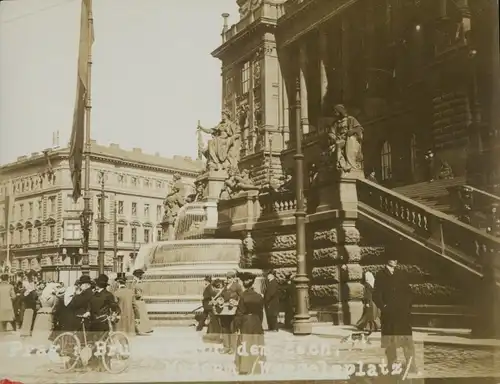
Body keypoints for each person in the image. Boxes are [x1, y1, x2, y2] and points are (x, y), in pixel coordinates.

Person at [373, 258, 419, 374]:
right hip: (389, 314)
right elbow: (376, 294)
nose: (394, 261)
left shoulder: (401, 273)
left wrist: (407, 306)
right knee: (390, 342)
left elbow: (408, 292)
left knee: (408, 342)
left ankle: (411, 365)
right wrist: (384, 307)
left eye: (396, 259)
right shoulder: (380, 274)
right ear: (387, 260)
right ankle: (392, 366)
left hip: (402, 314)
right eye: (391, 259)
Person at [234, 271, 266, 375]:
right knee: (256, 343)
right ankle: (257, 366)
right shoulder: (259, 296)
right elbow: (261, 312)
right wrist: (259, 322)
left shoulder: (243, 296)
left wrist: (236, 325)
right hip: (256, 321)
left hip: (246, 321)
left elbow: (240, 312)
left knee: (245, 344)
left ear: (244, 284)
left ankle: (245, 367)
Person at [219, 271, 243, 354]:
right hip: (224, 310)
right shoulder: (225, 287)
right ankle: (226, 347)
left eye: (230, 278)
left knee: (232, 328)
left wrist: (236, 302)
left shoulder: (237, 286)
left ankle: (233, 348)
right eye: (227, 278)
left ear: (233, 278)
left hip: (233, 310)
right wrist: (220, 301)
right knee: (225, 328)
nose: (228, 279)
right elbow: (221, 296)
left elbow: (242, 297)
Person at [130, 269, 153, 334]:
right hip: (137, 300)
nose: (142, 276)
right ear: (138, 275)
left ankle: (146, 328)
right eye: (141, 274)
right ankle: (141, 329)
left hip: (140, 300)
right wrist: (137, 295)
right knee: (140, 316)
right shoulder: (135, 282)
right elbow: (133, 291)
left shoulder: (137, 282)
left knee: (143, 315)